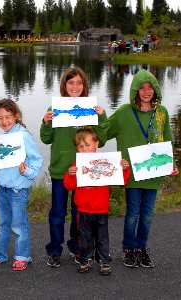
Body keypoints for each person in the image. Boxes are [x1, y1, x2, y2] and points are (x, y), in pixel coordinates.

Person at [107, 69, 179, 268]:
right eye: (142, 88)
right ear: (135, 91)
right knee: (133, 214)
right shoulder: (123, 112)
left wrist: (171, 164)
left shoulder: (162, 112)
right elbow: (104, 131)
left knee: (147, 214)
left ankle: (142, 248)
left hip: (153, 173)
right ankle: (128, 248)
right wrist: (92, 118)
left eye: (150, 87)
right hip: (132, 174)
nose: (146, 91)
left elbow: (167, 140)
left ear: (155, 90)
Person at [40, 66, 109, 268]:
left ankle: (77, 248)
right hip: (61, 170)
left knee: (79, 214)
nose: (75, 86)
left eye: (79, 82)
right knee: (58, 213)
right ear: (64, 85)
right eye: (71, 82)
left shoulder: (90, 109)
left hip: (85, 171)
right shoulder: (55, 107)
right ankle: (54, 250)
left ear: (84, 85)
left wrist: (102, 117)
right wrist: (45, 122)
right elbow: (45, 139)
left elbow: (102, 141)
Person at [0, 99, 43, 271]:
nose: (4, 121)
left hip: (18, 189)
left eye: (8, 117)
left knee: (18, 224)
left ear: (16, 115)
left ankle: (22, 255)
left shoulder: (23, 136)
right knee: (3, 223)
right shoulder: (1, 138)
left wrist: (27, 171)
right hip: (2, 188)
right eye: (0, 118)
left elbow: (36, 160)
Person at [64, 128, 130, 275]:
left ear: (96, 144)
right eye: (80, 147)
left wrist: (124, 169)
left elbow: (121, 182)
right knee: (85, 238)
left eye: (88, 145)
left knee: (102, 238)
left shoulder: (106, 162)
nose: (85, 149)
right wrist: (70, 174)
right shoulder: (77, 165)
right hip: (83, 210)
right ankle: (85, 259)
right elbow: (68, 186)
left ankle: (104, 260)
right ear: (77, 148)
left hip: (101, 209)